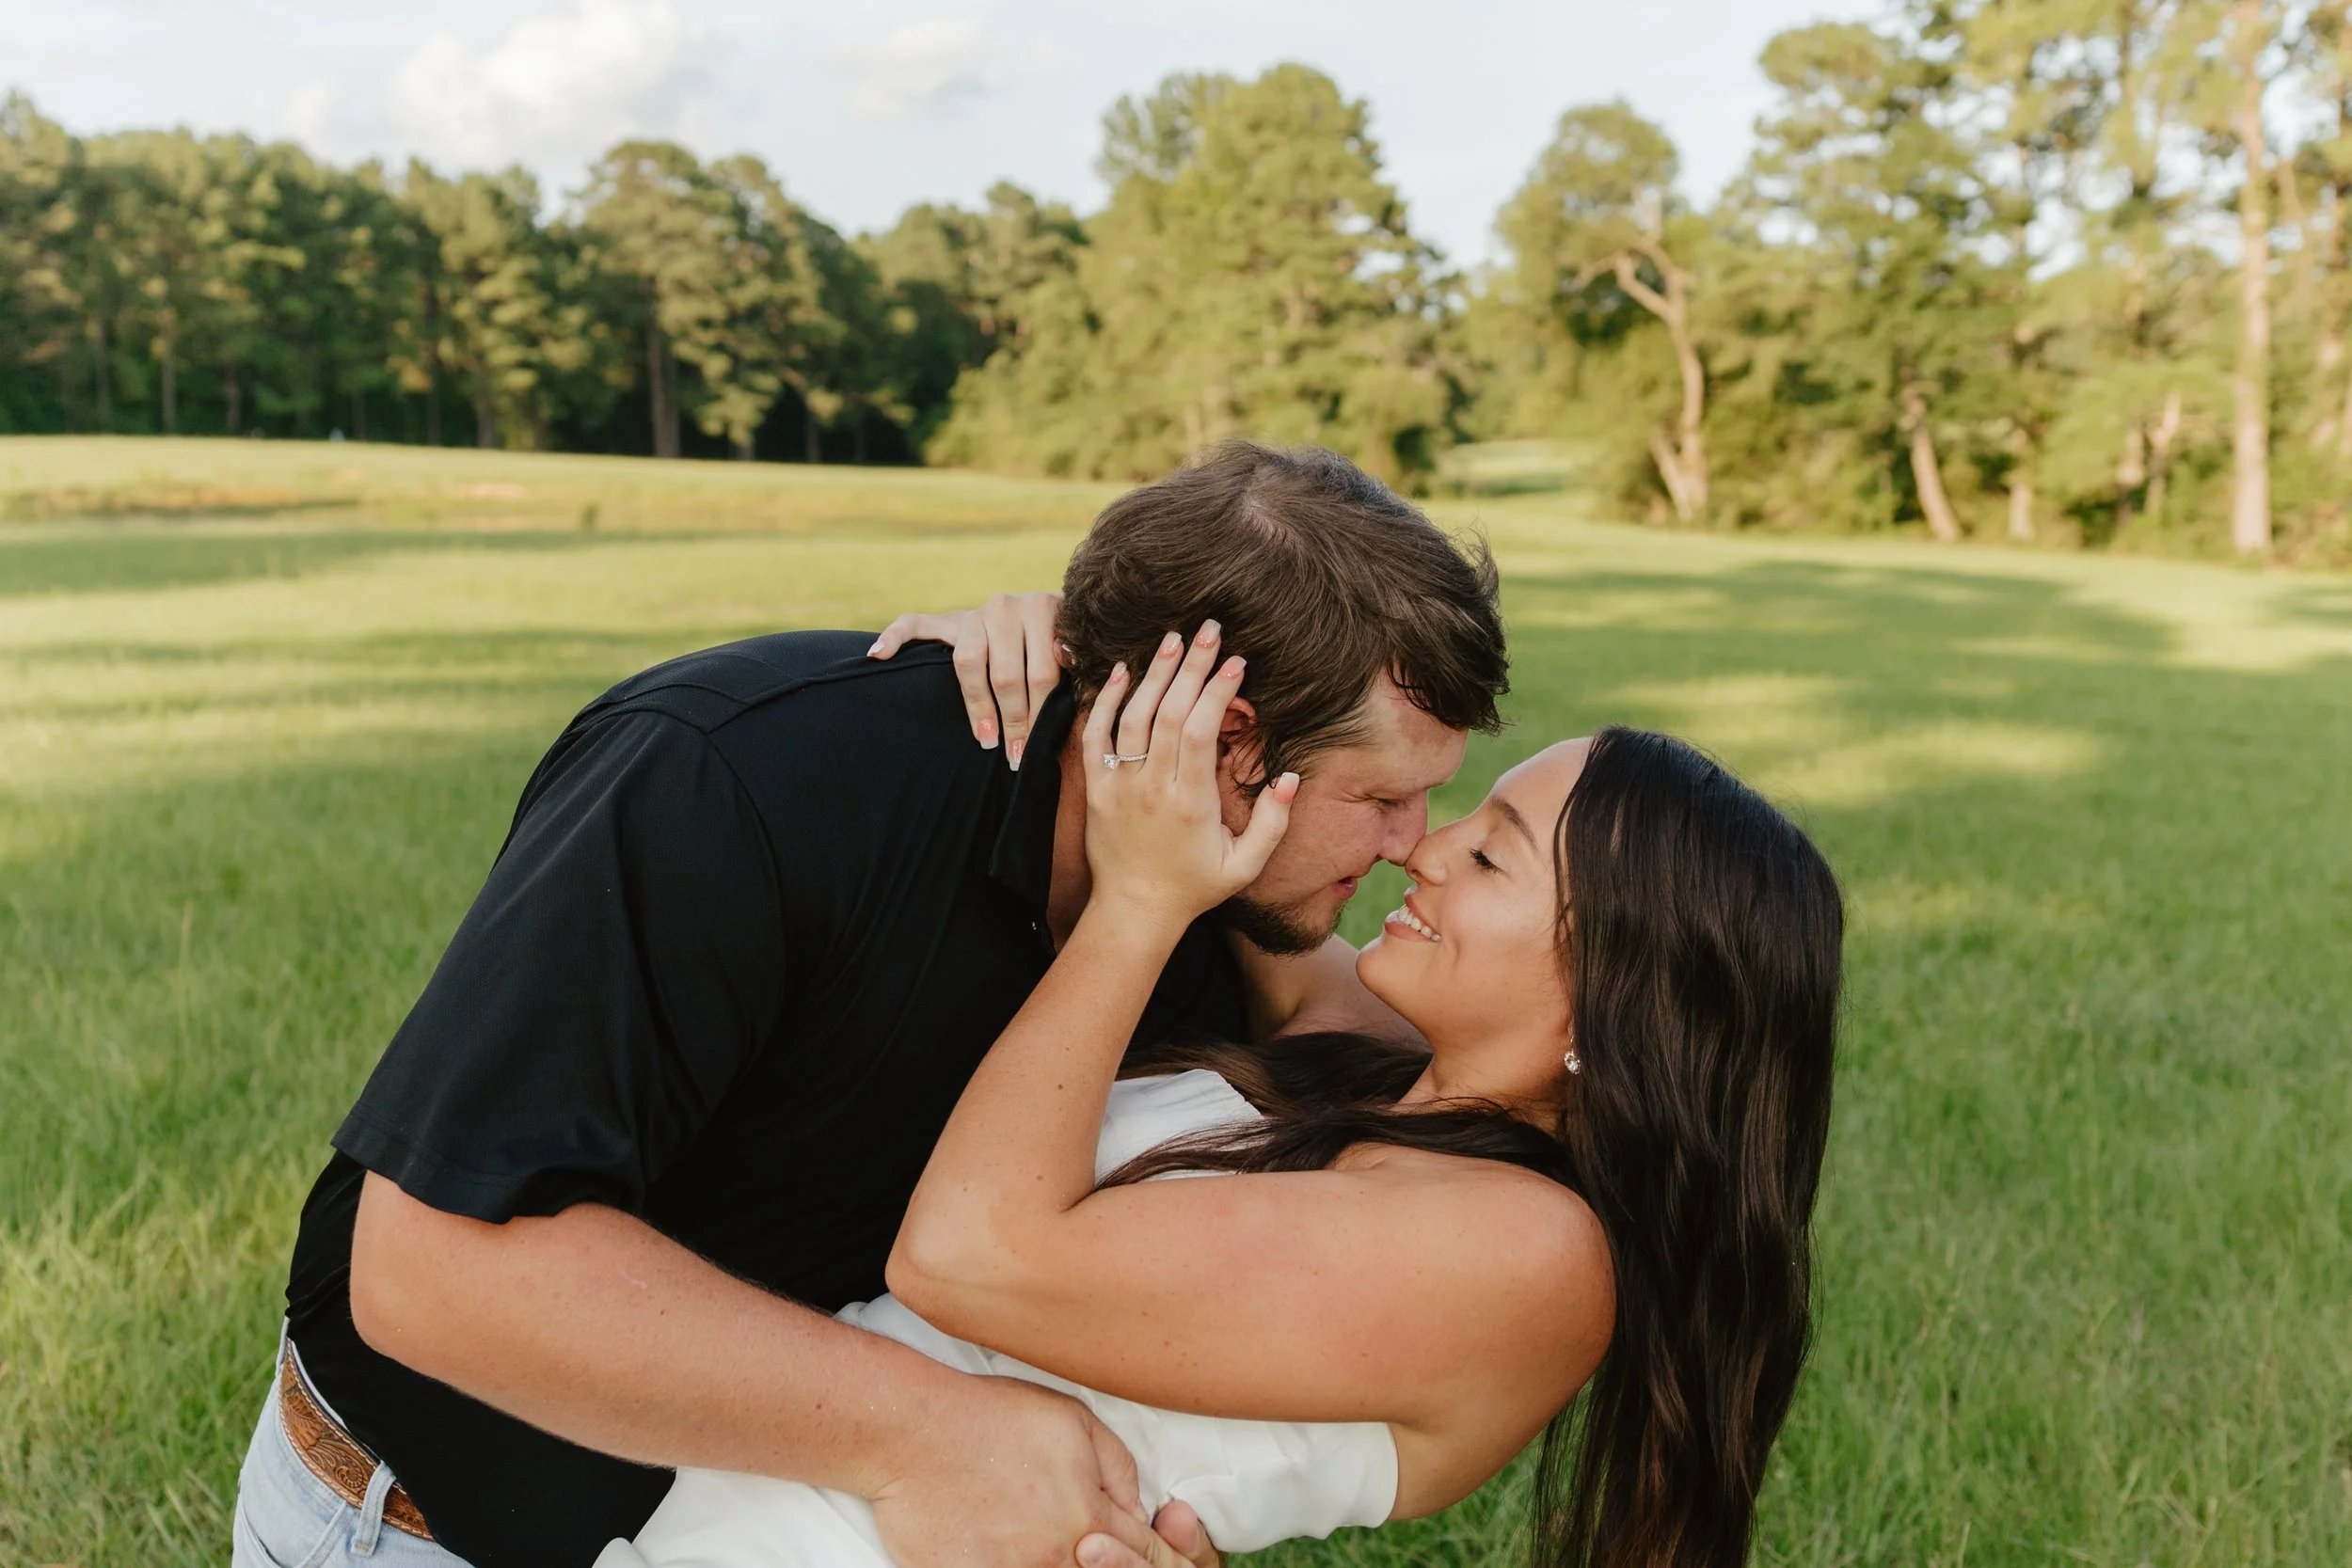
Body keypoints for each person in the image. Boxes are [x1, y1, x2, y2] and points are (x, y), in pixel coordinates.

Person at [232, 442, 1509, 1568]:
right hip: (424, 1534)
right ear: (1224, 739)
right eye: (1383, 796)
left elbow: (1503, 1059)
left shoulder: (1211, 896)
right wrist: (935, 1438)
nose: (1412, 841)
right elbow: (436, 1268)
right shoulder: (738, 776)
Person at [596, 624, 1845, 1568]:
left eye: (1492, 848)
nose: (1426, 844)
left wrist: (1138, 907)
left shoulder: (1531, 1250)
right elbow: (1259, 864)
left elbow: (968, 1254)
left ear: (1610, 990)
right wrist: (1072, 664)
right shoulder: (1387, 1063)